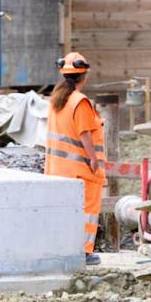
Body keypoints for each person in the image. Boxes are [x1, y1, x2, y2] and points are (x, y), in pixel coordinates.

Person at [45, 52, 106, 266]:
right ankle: (84, 252)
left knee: (64, 212)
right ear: (84, 76)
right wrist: (94, 160)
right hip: (81, 168)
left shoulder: (56, 100)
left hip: (58, 169)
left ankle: (63, 250)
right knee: (87, 211)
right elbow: (84, 133)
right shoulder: (80, 102)